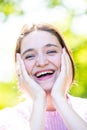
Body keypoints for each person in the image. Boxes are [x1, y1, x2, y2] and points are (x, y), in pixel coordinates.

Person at [0, 23, 87, 130]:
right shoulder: (7, 120)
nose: (42, 63)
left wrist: (59, 99)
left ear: (67, 57)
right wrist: (38, 101)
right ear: (19, 66)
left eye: (51, 51)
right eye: (30, 56)